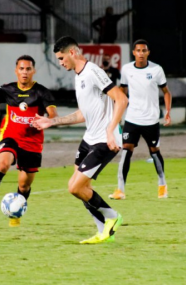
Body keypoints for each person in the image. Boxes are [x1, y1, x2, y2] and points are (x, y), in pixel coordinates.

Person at [32, 36, 127, 244]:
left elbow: (121, 99)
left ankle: (112, 216)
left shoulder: (93, 72)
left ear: (72, 53)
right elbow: (82, 114)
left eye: (61, 58)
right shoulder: (78, 76)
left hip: (105, 140)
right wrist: (52, 122)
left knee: (76, 187)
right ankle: (102, 230)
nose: (60, 63)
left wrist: (111, 130)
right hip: (89, 138)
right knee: (78, 188)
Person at [0, 55, 57, 227]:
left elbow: (53, 114)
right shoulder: (7, 89)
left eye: (28, 69)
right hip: (10, 136)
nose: (24, 72)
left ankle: (16, 214)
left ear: (34, 71)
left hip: (32, 141)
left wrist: (46, 120)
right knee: (2, 164)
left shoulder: (42, 92)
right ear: (16, 71)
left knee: (24, 186)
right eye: (21, 69)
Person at [109, 39, 172, 201]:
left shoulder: (156, 70)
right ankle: (120, 190)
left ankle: (162, 185)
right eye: (138, 50)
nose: (141, 53)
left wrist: (168, 112)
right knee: (126, 151)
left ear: (148, 52)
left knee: (154, 151)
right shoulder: (127, 69)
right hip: (132, 118)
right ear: (134, 52)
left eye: (144, 51)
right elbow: (121, 91)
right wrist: (117, 108)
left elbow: (166, 92)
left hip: (151, 120)